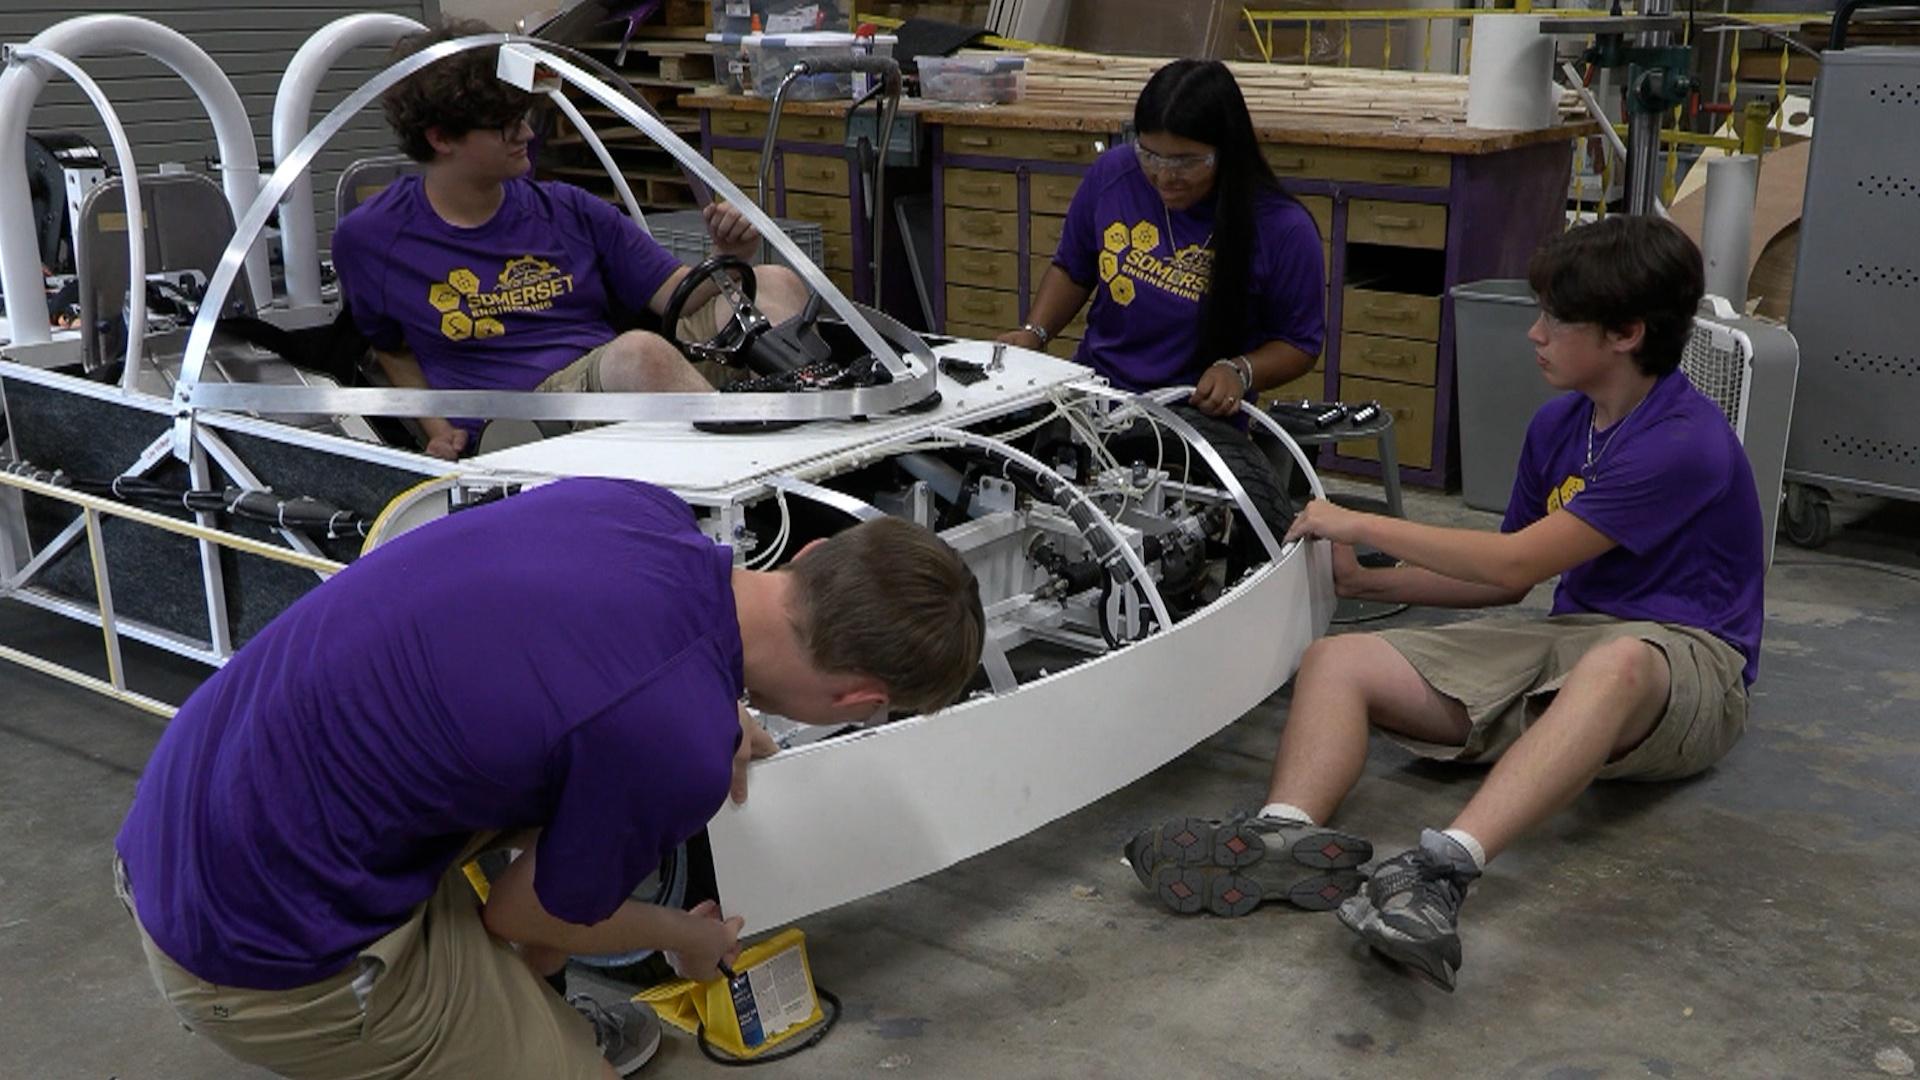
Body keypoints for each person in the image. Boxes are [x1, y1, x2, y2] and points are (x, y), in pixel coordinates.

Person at [114, 477, 986, 1078]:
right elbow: (518, 912)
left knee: (548, 795)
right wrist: (685, 936)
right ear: (860, 697)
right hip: (257, 949)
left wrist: (706, 702)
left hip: (184, 809)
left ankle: (488, 1017)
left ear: (817, 555)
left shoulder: (639, 515)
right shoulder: (671, 741)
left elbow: (582, 663)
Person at [1126, 216, 1764, 992]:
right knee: (1337, 661)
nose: (1535, 333)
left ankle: (1440, 873)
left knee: (1620, 663)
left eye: (1557, 318)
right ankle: (1282, 837)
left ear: (1628, 331)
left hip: (1686, 660)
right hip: (1575, 639)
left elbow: (1518, 557)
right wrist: (1369, 581)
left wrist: (1359, 520)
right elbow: (1502, 585)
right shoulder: (1559, 424)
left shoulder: (1683, 439)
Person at [331, 19, 810, 460]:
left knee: (773, 285)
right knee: (637, 355)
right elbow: (388, 350)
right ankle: (761, 471)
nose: (525, 132)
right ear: (441, 138)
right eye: (505, 125)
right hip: (527, 419)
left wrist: (729, 257)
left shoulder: (565, 208)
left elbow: (676, 297)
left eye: (524, 117)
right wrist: (436, 429)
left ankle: (813, 445)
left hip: (620, 382)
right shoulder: (371, 239)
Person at [998, 59, 1325, 418]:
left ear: (1226, 152)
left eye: (1185, 162)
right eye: (1150, 156)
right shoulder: (1114, 175)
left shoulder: (1284, 228)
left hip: (1195, 420)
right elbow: (1073, 268)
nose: (1165, 177)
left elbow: (1300, 343)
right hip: (1096, 398)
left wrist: (1240, 371)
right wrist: (1035, 333)